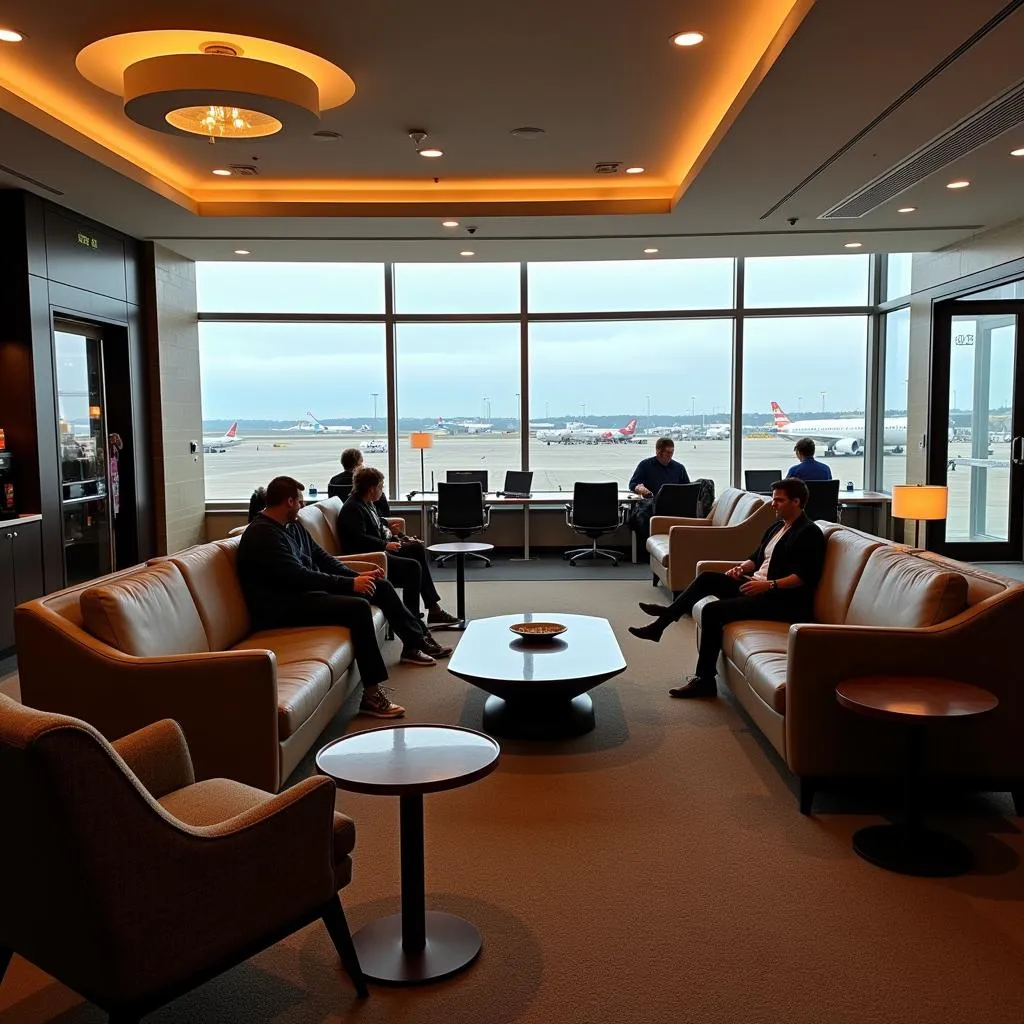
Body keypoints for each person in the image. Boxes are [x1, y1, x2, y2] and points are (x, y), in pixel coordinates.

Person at [236, 476, 453, 719]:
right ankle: (371, 695)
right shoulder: (263, 535)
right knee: (358, 608)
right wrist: (351, 584)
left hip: (304, 593)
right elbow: (299, 576)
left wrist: (359, 576)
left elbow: (322, 558)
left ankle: (415, 642)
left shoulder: (292, 525)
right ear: (288, 501)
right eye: (300, 501)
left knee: (379, 586)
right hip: (284, 607)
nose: (302, 505)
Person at [628, 477, 826, 699]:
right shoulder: (778, 527)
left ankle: (704, 680)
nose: (773, 504)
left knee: (712, 611)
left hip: (781, 600)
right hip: (757, 585)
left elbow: (805, 576)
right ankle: (662, 623)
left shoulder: (809, 533)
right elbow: (757, 557)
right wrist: (741, 568)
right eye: (773, 499)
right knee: (707, 578)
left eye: (779, 501)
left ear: (797, 502)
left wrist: (768, 585)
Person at [339, 466, 460, 624]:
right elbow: (358, 539)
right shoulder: (353, 508)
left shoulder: (365, 502)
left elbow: (374, 522)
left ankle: (433, 607)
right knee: (413, 568)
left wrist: (396, 533)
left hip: (378, 551)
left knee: (416, 548)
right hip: (371, 558)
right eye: (381, 487)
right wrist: (385, 545)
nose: (382, 490)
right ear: (371, 489)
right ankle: (414, 618)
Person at [627, 437, 691, 547]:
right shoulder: (645, 465)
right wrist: (640, 488)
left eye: (672, 452)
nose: (670, 455)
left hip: (673, 507)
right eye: (667, 452)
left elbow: (687, 489)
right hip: (652, 506)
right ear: (658, 451)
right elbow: (633, 484)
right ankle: (648, 550)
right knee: (643, 516)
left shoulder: (679, 468)